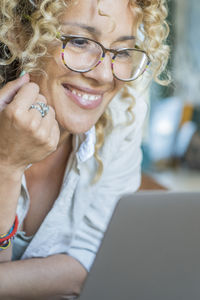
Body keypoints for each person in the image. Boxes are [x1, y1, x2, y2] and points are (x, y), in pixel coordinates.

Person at [0, 0, 170, 298]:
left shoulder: (122, 118)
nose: (104, 76)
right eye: (79, 41)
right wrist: (7, 165)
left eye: (123, 50)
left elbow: (91, 260)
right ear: (18, 35)